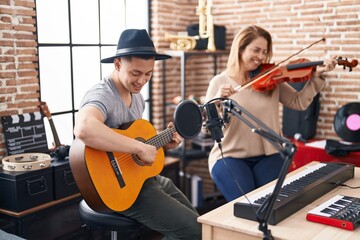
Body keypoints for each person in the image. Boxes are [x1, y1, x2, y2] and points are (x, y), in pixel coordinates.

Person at [74, 29, 201, 239]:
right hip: (118, 189)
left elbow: (134, 148)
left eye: (148, 74)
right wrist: (139, 147)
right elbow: (84, 128)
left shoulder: (137, 98)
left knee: (200, 223)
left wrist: (163, 144)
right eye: (135, 73)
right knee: (195, 233)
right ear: (117, 64)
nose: (142, 81)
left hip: (143, 180)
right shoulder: (102, 94)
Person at [205, 25, 337, 202]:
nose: (260, 57)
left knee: (275, 205)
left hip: (269, 155)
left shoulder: (270, 76)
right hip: (230, 156)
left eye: (264, 51)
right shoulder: (219, 82)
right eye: (256, 50)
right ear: (240, 48)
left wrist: (317, 77)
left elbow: (297, 102)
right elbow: (208, 129)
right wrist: (216, 101)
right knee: (248, 205)